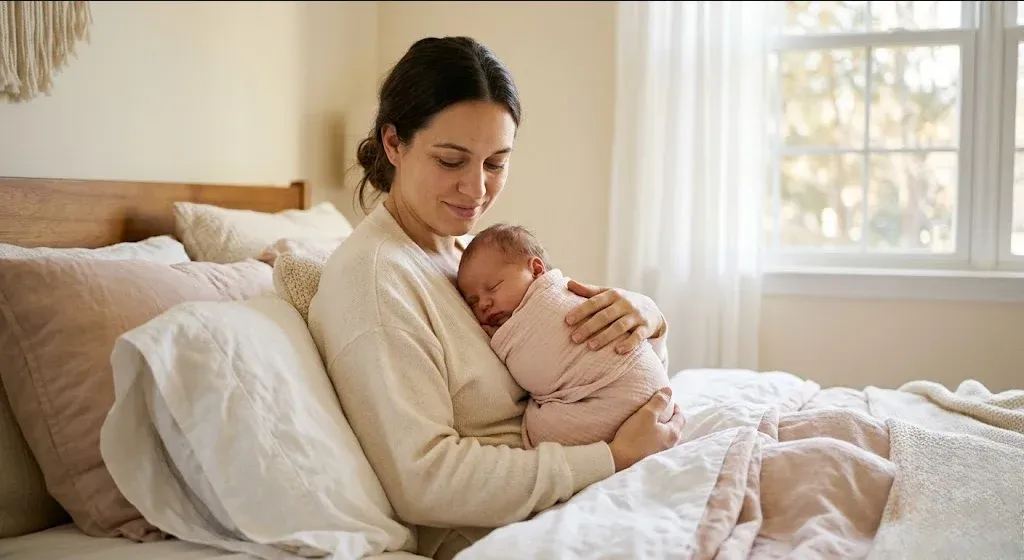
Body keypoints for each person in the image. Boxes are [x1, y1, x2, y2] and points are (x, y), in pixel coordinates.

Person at [306, 36, 686, 560]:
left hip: (574, 493)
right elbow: (425, 480)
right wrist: (611, 460)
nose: (476, 189)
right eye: (451, 160)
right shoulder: (375, 281)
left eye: (495, 163)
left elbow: (576, 375)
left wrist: (645, 320)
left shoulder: (465, 256)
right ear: (394, 144)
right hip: (510, 530)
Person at [456, 222, 673, 450]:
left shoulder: (555, 300)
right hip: (649, 408)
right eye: (473, 301)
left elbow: (534, 368)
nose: (484, 304)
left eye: (493, 287)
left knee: (540, 428)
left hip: (632, 397)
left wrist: (655, 322)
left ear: (537, 270)